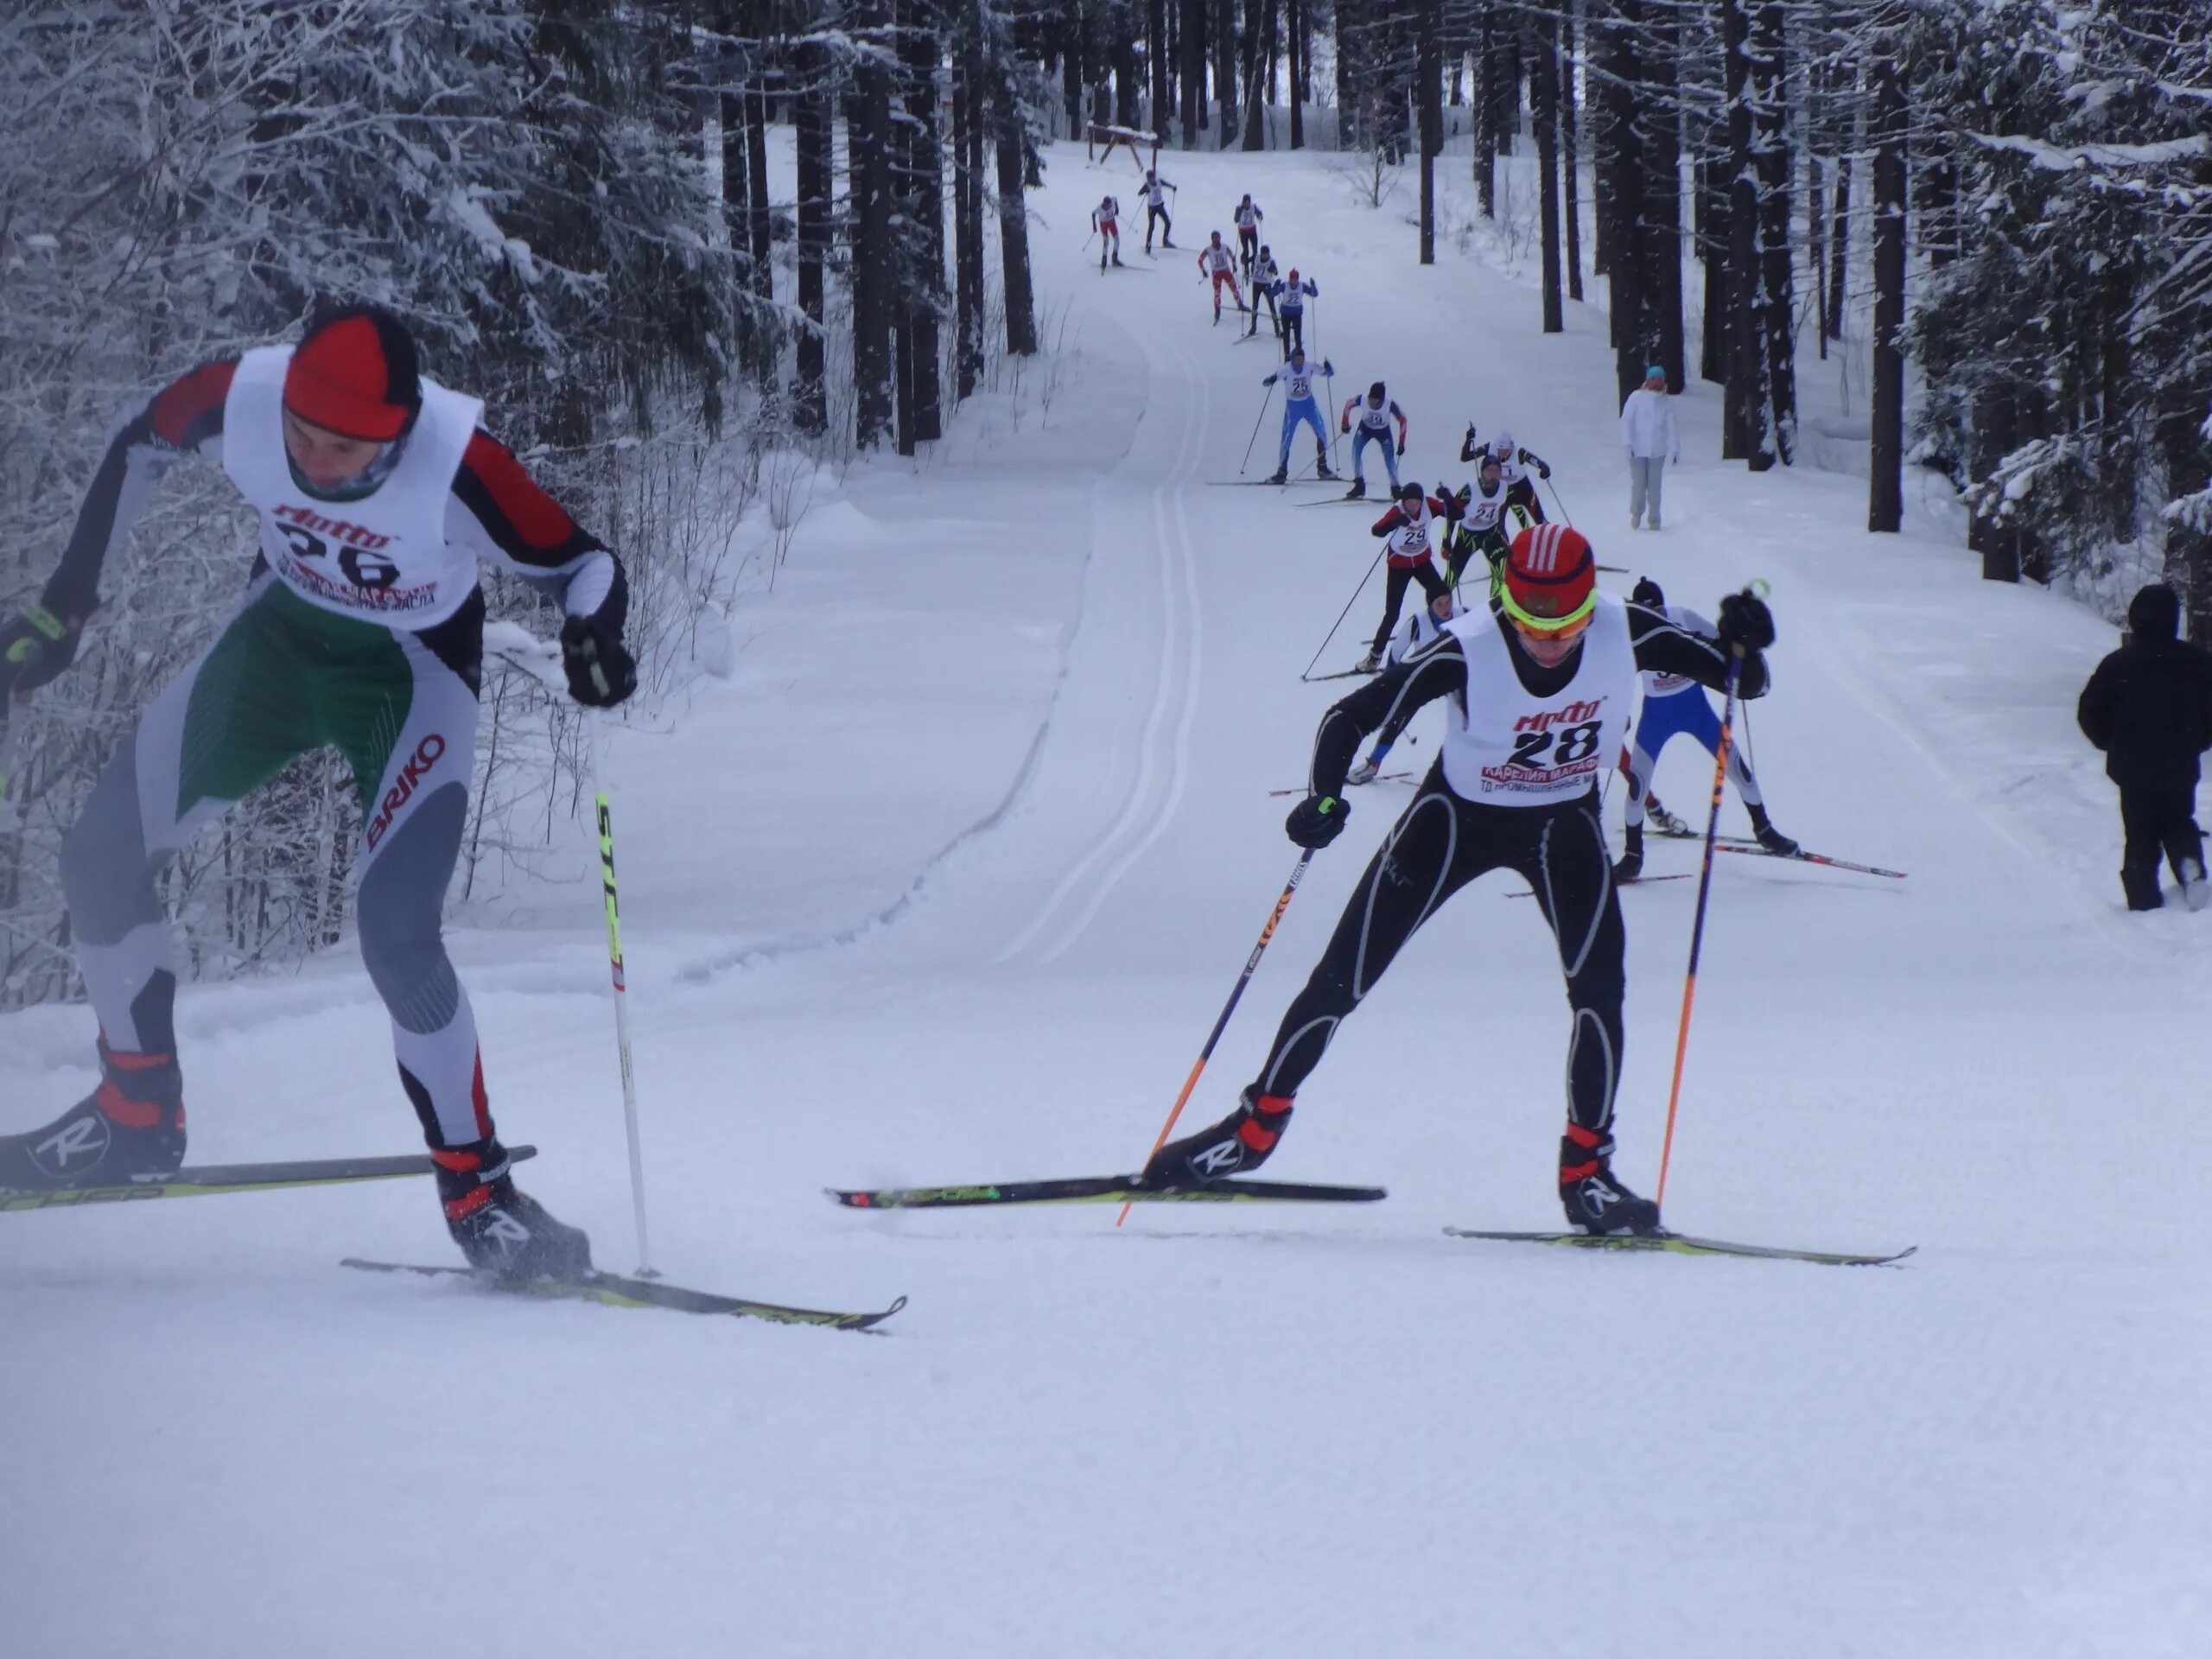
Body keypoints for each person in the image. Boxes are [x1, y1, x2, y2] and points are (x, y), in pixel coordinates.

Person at [0, 303, 637, 1280]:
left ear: (398, 433)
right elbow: (139, 442)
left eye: (344, 448)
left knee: (396, 931)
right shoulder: (245, 398)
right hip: (274, 649)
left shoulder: (456, 461)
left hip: (410, 676)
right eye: (301, 434)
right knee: (99, 855)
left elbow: (582, 563)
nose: (314, 459)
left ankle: (479, 1194)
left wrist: (591, 636)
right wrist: (65, 606)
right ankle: (134, 1112)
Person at [1143, 526, 1778, 1236]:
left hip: (1561, 826)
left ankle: (1587, 1176)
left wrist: (1748, 642)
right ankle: (1253, 1131)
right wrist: (1324, 795)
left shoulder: (1622, 629)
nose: (1549, 644)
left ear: (1586, 609)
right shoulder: (1468, 644)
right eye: (1533, 627)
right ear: (1506, 602)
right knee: (1342, 977)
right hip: (1453, 822)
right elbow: (1349, 717)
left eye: (1565, 628)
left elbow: (1742, 681)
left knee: (1600, 989)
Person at [1613, 577, 1796, 880]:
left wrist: (1743, 646)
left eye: (1656, 608)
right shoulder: (1634, 631)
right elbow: (1617, 674)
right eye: (1647, 609)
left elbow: (1724, 644)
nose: (1653, 614)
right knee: (1637, 787)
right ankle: (1633, 857)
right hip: (1656, 716)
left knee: (1739, 769)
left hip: (1694, 708)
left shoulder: (1681, 616)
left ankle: (1765, 829)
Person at [2076, 582, 2212, 912]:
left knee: (2140, 831)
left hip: (2131, 765)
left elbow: (2089, 711)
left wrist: (2109, 742)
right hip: (2179, 762)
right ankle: (2190, 870)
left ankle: (2141, 898)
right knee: (2179, 820)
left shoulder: (2118, 664)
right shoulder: (2197, 662)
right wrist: (2197, 741)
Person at [1347, 590, 1459, 785]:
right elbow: (1396, 652)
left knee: (1471, 716)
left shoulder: (1463, 614)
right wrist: (1390, 683)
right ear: (1430, 606)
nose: (1446, 608)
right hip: (1425, 679)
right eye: (1439, 604)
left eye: (1448, 602)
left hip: (1455, 676)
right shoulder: (1417, 622)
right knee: (1398, 718)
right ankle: (1373, 764)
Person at [1354, 480, 1458, 675]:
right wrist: (1395, 522)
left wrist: (1448, 498)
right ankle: (1374, 658)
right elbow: (1376, 530)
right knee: (1392, 613)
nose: (1413, 507)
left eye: (1416, 503)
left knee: (1442, 596)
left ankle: (1451, 637)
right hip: (1399, 565)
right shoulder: (1397, 510)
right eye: (1409, 503)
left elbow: (1457, 514)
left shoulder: (1429, 505)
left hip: (1421, 562)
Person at [1441, 451, 1515, 593]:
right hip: (1467, 536)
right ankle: (1440, 609)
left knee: (1503, 574)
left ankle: (1496, 607)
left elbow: (1508, 511)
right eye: (1489, 471)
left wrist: (1505, 536)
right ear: (1482, 471)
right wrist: (1446, 542)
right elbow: (1452, 516)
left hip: (1491, 534)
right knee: (1452, 578)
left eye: (1496, 471)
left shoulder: (1506, 489)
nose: (1492, 475)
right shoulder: (1469, 490)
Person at [1262, 348, 1336, 485]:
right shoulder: (1286, 369)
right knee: (1286, 439)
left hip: (1309, 405)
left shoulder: (1309, 367)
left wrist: (1328, 367)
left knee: (1322, 433)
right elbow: (1273, 378)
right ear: (1293, 358)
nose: (1300, 362)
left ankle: (1322, 468)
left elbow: (1329, 374)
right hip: (1293, 407)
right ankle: (1281, 473)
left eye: (1302, 359)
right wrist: (1269, 380)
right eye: (1297, 359)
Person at [1619, 365, 1679, 530]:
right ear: (1647, 380)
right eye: (1653, 378)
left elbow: (1671, 426)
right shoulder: (1636, 397)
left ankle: (1654, 519)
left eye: (1660, 378)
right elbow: (1627, 421)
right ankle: (1636, 514)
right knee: (1639, 484)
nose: (1656, 382)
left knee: (1654, 487)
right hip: (1637, 450)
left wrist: (1674, 449)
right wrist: (1628, 443)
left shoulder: (1666, 402)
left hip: (1657, 451)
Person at [1339, 381, 1408, 499]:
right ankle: (1359, 485)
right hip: (1365, 430)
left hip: (1383, 433)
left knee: (1389, 460)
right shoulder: (1363, 399)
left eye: (1376, 401)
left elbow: (1403, 420)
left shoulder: (1389, 405)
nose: (1373, 403)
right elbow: (1348, 405)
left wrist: (1401, 443)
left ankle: (1396, 489)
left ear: (1381, 399)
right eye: (1372, 399)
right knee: (1355, 452)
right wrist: (1344, 424)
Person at [1198, 232, 1246, 326]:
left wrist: (1234, 265)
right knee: (1217, 292)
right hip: (1216, 273)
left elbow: (1232, 256)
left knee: (1234, 288)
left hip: (1226, 271)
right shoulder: (1208, 250)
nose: (1217, 240)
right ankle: (1217, 310)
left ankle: (1240, 304)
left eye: (1218, 238)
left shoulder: (1225, 247)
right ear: (1212, 239)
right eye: (1214, 239)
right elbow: (1200, 260)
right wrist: (1203, 271)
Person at [1270, 268, 1319, 358]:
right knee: (1286, 336)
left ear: (1297, 279)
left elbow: (1314, 294)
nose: (1292, 281)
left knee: (1298, 337)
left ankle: (1299, 357)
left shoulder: (1302, 286)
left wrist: (1313, 285)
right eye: (1291, 278)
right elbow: (1271, 294)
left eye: (1294, 279)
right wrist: (1276, 286)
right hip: (1286, 314)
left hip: (1297, 314)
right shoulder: (1285, 286)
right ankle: (1287, 356)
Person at [1247, 245, 1282, 340]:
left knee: (1272, 307)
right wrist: (1246, 262)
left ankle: (1277, 329)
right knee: (1254, 306)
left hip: (1266, 285)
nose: (1265, 256)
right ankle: (1253, 327)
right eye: (1264, 254)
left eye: (1267, 254)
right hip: (1256, 285)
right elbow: (1250, 262)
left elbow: (1276, 273)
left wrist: (1272, 270)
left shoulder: (1271, 261)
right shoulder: (1257, 257)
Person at [1141, 169, 1178, 253]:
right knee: (1151, 226)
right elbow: (1139, 193)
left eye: (1151, 178)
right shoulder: (1147, 186)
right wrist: (1145, 191)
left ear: (1154, 177)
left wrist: (1173, 187)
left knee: (1168, 223)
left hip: (1160, 205)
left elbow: (1166, 184)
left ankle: (1165, 241)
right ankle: (1148, 246)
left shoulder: (1159, 182)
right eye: (1149, 179)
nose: (1150, 180)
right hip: (1151, 208)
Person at [1232, 194, 1265, 276]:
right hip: (1243, 232)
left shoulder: (1253, 206)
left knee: (1255, 251)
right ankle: (1246, 267)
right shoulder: (1239, 208)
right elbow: (1236, 220)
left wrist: (1260, 215)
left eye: (1248, 202)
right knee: (1246, 251)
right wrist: (1239, 212)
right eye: (1245, 202)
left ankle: (1253, 265)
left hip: (1252, 230)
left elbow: (1259, 213)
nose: (1246, 204)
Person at [1091, 195, 1124, 270]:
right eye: (1108, 206)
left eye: (1110, 205)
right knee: (1106, 242)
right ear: (1104, 204)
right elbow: (1093, 214)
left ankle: (1114, 259)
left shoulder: (1112, 201)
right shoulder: (1099, 208)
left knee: (1117, 241)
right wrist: (1094, 226)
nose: (1109, 207)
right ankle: (1104, 260)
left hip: (1112, 222)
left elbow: (1115, 199)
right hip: (1104, 224)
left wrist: (1117, 209)